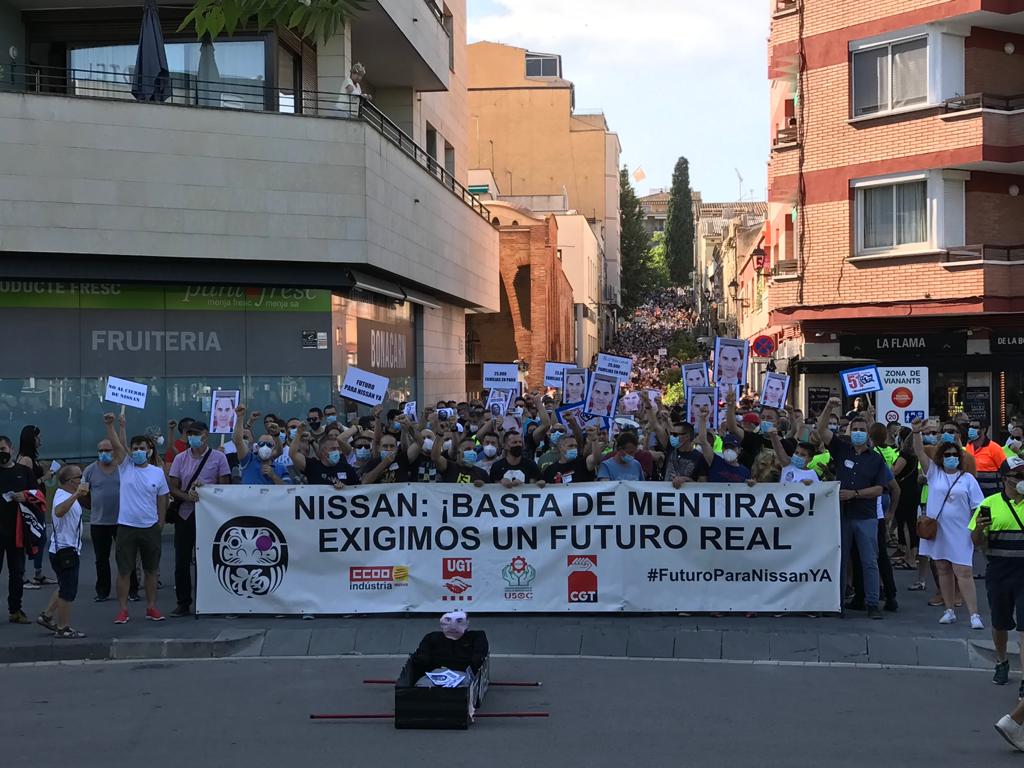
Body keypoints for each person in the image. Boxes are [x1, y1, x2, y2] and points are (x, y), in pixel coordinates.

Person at [909, 418, 984, 628]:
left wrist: (976, 529)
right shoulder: (934, 473)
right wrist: (916, 433)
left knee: (964, 571)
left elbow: (977, 506)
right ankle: (949, 610)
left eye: (954, 455)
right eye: (947, 455)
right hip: (938, 530)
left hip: (961, 531)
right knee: (942, 568)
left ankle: (974, 614)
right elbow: (920, 453)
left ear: (959, 457)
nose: (951, 457)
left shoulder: (968, 479)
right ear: (941, 458)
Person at [818, 397, 888, 619]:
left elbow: (879, 489)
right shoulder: (842, 449)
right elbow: (820, 430)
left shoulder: (876, 459)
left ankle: (873, 603)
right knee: (839, 560)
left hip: (865, 516)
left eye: (862, 429)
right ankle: (835, 602)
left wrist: (855, 494)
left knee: (869, 561)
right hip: (841, 515)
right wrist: (829, 408)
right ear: (849, 431)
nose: (858, 432)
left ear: (868, 433)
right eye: (854, 429)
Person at [103, 413, 169, 624]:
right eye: (135, 448)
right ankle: (123, 610)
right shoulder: (125, 467)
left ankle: (151, 607)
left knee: (151, 570)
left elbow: (163, 497)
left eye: (142, 448)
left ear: (149, 451)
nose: (139, 451)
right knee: (124, 570)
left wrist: (161, 521)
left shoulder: (157, 472)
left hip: (150, 527)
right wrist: (111, 425)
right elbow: (116, 443)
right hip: (126, 527)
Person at [970, 456, 1024, 691]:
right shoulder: (989, 504)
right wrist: (980, 530)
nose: (1022, 481)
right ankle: (1001, 661)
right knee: (1000, 623)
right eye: (1018, 477)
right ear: (1004, 479)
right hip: (999, 571)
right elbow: (976, 542)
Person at [167, 421, 230, 617]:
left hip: (210, 515)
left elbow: (225, 487)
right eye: (190, 434)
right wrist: (187, 496)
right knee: (182, 560)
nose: (193, 437)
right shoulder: (180, 459)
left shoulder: (219, 457)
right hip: (185, 513)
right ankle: (183, 602)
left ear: (205, 435)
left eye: (197, 434)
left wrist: (206, 490)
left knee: (211, 558)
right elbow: (173, 487)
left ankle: (213, 600)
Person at [82, 438, 139, 603]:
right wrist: (94, 506)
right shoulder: (90, 470)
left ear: (114, 451)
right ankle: (102, 591)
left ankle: (132, 590)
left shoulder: (123, 469)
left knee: (127, 556)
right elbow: (83, 494)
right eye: (101, 451)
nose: (104, 454)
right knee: (101, 558)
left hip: (122, 521)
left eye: (107, 450)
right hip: (99, 522)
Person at [36, 465, 87, 639]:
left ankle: (47, 615)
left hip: (65, 549)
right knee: (68, 591)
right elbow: (58, 512)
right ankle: (63, 627)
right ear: (70, 481)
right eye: (79, 477)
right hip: (65, 550)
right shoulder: (63, 496)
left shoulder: (66, 495)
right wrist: (77, 495)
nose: (82, 479)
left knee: (64, 585)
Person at [0, 436, 37, 624]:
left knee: (17, 573)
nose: (1, 453)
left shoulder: (23, 472)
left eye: (3, 448)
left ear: (11, 449)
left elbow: (38, 495)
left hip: (17, 532)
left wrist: (25, 496)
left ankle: (15, 610)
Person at [16, 424, 54, 588]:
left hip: (37, 503)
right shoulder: (26, 459)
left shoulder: (31, 458)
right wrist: (44, 478)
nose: (40, 440)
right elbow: (26, 485)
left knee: (40, 538)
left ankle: (37, 574)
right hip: (30, 504)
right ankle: (22, 576)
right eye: (38, 437)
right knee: (31, 538)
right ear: (32, 439)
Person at [967, 419, 1009, 497]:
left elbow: (1005, 470)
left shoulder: (994, 448)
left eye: (975, 427)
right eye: (970, 426)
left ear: (983, 430)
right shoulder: (968, 447)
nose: (971, 429)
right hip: (973, 491)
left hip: (992, 493)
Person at [663, 422, 709, 487]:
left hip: (686, 496)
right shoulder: (670, 450)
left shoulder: (700, 458)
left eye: (675, 434)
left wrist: (687, 480)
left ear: (687, 436)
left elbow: (703, 485)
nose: (672, 437)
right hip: (664, 495)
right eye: (671, 434)